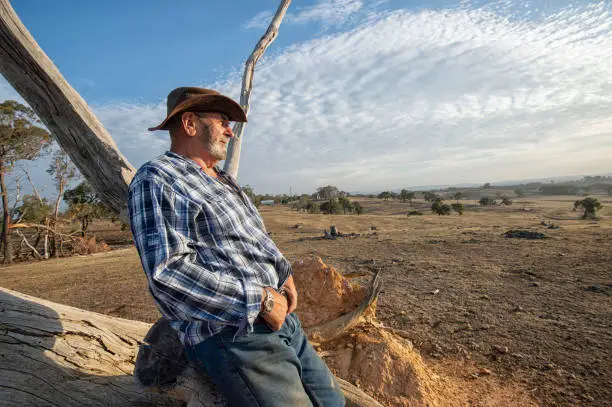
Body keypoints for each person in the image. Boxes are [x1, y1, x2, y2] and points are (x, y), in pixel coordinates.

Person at [128, 87, 345, 407]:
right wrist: (259, 299)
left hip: (283, 322)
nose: (230, 131)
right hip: (235, 333)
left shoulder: (223, 180)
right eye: (222, 122)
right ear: (189, 124)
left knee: (333, 402)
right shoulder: (158, 178)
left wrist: (284, 274)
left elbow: (255, 237)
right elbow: (168, 273)